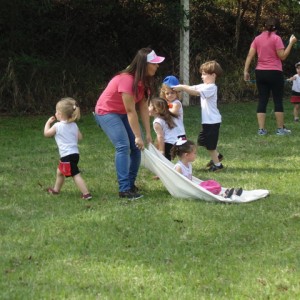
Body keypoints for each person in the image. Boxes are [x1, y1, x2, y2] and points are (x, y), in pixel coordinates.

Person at [94, 48, 165, 200]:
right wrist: (137, 136)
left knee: (136, 148)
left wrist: (146, 133)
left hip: (123, 112)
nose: (157, 66)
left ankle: (131, 184)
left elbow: (143, 107)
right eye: (154, 63)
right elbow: (130, 111)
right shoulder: (127, 80)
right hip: (107, 112)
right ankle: (124, 189)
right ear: (145, 65)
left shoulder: (144, 80)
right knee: (124, 146)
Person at [243, 17, 297, 136]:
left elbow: (249, 55)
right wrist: (291, 43)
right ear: (277, 28)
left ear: (263, 26)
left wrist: (245, 71)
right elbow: (282, 56)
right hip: (275, 72)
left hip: (260, 72)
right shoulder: (276, 38)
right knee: (278, 100)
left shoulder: (257, 39)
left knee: (262, 99)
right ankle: (280, 129)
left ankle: (261, 130)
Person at [172, 60, 224, 172]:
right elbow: (192, 88)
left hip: (212, 121)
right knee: (202, 141)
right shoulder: (204, 85)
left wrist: (182, 88)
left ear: (213, 75)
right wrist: (179, 86)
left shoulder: (211, 87)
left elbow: (195, 93)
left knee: (211, 146)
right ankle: (217, 156)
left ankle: (218, 165)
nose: (202, 76)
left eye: (204, 74)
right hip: (207, 121)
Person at [44, 97, 92, 200]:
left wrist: (48, 123)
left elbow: (47, 134)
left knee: (75, 174)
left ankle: (86, 194)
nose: (55, 113)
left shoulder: (57, 126)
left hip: (67, 155)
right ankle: (56, 190)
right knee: (60, 172)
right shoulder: (74, 125)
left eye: (57, 111)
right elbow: (80, 137)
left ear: (60, 114)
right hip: (75, 154)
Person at [170, 138, 242, 198]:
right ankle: (223, 195)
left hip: (192, 188)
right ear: (187, 155)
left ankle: (229, 192)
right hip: (188, 190)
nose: (196, 155)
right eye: (194, 153)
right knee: (206, 189)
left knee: (209, 183)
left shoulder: (188, 165)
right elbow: (177, 184)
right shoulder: (179, 167)